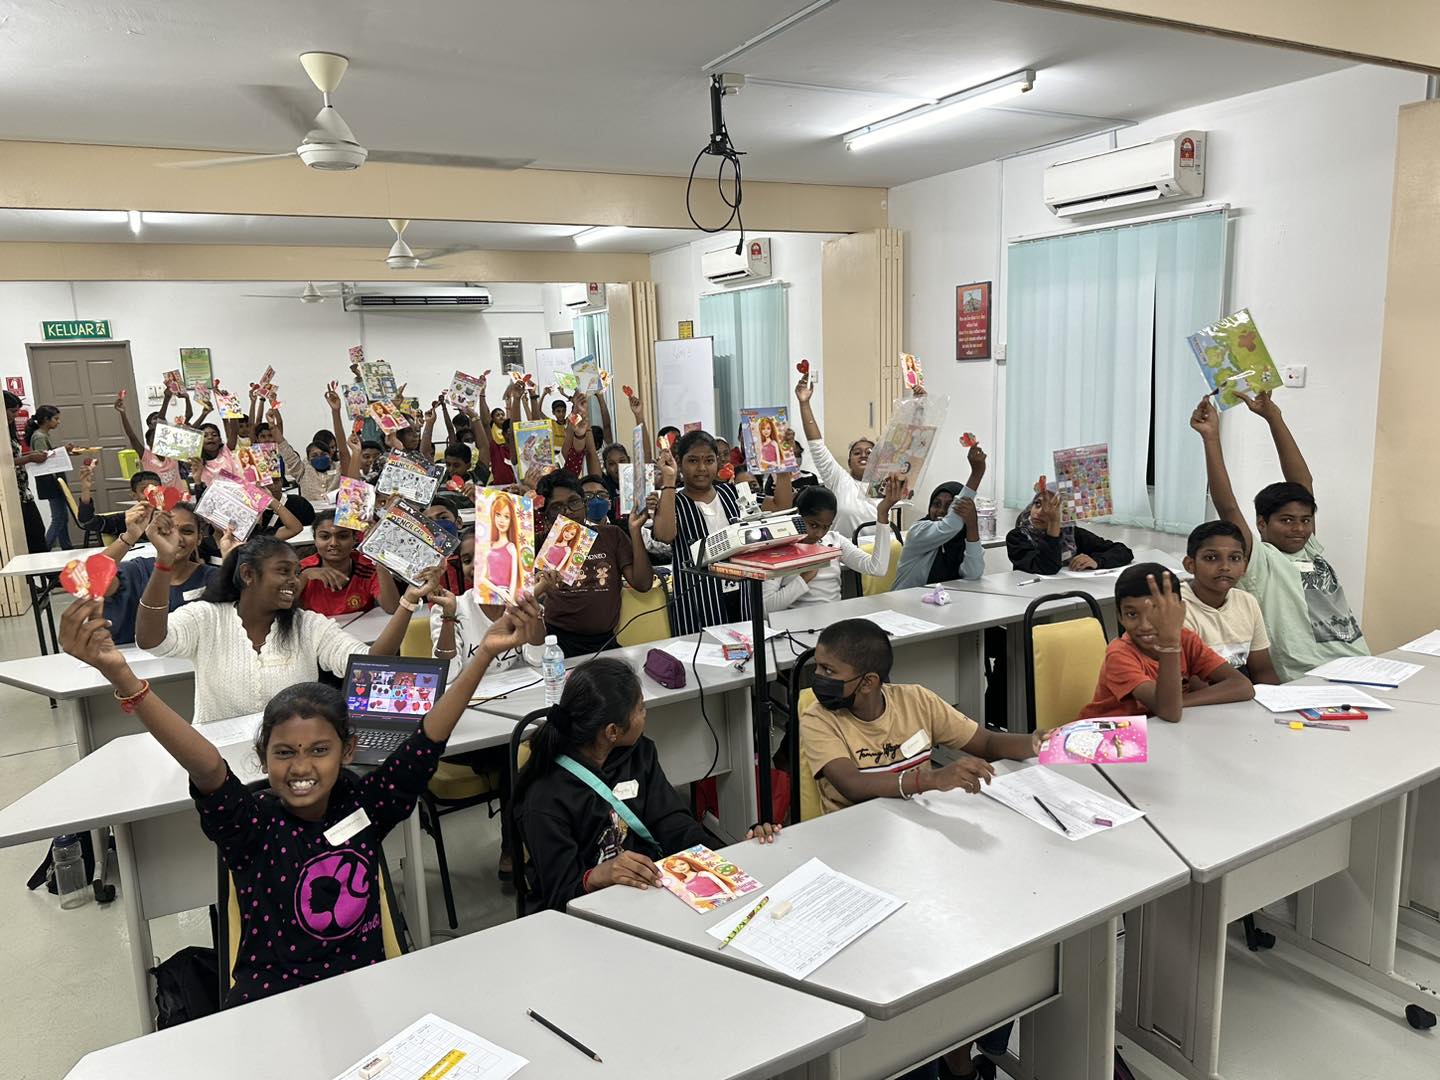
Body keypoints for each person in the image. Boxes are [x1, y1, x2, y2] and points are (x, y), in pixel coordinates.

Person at [58, 589, 542, 1007]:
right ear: (262, 757)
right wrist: (122, 677)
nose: (302, 767)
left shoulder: (366, 806)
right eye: (284, 753)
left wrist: (481, 656)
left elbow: (427, 739)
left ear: (347, 750)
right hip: (273, 1002)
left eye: (320, 751)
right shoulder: (250, 826)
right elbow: (206, 765)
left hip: (369, 988)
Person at [799, 617, 1040, 1080]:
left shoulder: (916, 700)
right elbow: (849, 785)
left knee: (1004, 926)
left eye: (829, 671)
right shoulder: (819, 716)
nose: (818, 679)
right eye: (819, 667)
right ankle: (939, 1054)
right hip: (857, 856)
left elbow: (986, 742)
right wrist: (929, 778)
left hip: (926, 844)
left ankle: (969, 1041)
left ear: (869, 682)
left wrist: (1038, 742)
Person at [512, 658, 778, 914]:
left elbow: (674, 826)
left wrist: (732, 858)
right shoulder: (545, 797)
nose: (645, 713)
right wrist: (597, 876)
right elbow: (558, 896)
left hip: (648, 894)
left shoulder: (639, 754)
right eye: (640, 708)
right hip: (588, 914)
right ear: (612, 732)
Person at [134, 534, 435, 724]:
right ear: (248, 575)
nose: (294, 581)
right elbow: (152, 640)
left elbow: (370, 664)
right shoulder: (207, 618)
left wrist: (409, 601)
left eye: (297, 572)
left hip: (294, 758)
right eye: (283, 572)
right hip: (217, 758)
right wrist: (163, 565)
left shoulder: (308, 625)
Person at [1191, 391, 1368, 681]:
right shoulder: (1261, 560)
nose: (1298, 528)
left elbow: (1302, 482)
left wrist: (1273, 417)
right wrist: (1211, 438)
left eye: (1305, 521)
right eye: (1286, 521)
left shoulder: (1309, 549)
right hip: (1308, 677)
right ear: (1261, 524)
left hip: (1359, 665)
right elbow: (1228, 505)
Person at [1078, 564, 1253, 723]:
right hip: (1107, 736)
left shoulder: (1186, 639)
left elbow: (1242, 686)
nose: (1145, 626)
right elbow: (1169, 711)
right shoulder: (1120, 654)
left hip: (1158, 732)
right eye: (1132, 614)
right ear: (1119, 616)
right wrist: (1169, 644)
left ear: (1179, 611)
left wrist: (1179, 702)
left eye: (1157, 612)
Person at [535, 470, 655, 656]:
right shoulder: (542, 542)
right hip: (557, 643)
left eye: (574, 502)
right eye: (557, 507)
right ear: (548, 515)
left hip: (604, 641)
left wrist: (635, 530)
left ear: (584, 504)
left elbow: (643, 583)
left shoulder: (611, 535)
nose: (568, 512)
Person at [650, 431, 753, 635]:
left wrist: (782, 468)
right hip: (696, 601)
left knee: (747, 657)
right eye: (693, 461)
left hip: (741, 594)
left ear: (718, 462)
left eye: (709, 460)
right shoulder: (672, 499)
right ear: (679, 462)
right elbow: (665, 535)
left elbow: (779, 506)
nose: (702, 468)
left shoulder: (732, 493)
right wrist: (669, 479)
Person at [764, 478, 904, 610]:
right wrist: (805, 577)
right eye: (813, 525)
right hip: (796, 627)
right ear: (797, 515)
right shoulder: (780, 549)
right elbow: (766, 608)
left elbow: (877, 568)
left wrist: (882, 513)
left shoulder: (834, 541)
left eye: (826, 527)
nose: (819, 534)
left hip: (833, 621)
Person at [99, 502, 219, 645]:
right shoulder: (137, 571)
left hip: (188, 663)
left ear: (199, 538)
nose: (177, 538)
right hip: (131, 663)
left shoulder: (212, 578)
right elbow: (89, 580)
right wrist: (130, 536)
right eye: (167, 530)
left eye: (187, 531)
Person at [1182, 521, 1280, 684]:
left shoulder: (1247, 602)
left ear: (1244, 566)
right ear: (1190, 565)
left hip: (1243, 697)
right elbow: (1194, 685)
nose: (1225, 567)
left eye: (1234, 558)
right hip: (1204, 700)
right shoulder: (1177, 608)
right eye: (1211, 558)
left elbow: (1263, 671)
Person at [892, 441, 989, 590]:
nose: (942, 511)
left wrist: (971, 526)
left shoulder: (959, 539)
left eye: (949, 506)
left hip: (943, 604)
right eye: (936, 505)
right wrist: (977, 473)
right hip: (907, 603)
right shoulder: (919, 531)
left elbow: (973, 574)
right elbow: (951, 524)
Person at [794, 372, 879, 538]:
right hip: (843, 554)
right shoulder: (840, 480)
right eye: (857, 452)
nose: (863, 455)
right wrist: (804, 403)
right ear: (849, 462)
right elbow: (816, 446)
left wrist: (920, 405)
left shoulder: (885, 486)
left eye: (870, 453)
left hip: (879, 555)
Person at [1006, 481, 1134, 575]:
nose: (1039, 512)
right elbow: (1047, 568)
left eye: (1050, 508)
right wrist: (1054, 522)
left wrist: (1097, 561)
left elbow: (1123, 551)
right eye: (1037, 504)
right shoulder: (1018, 537)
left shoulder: (1071, 534)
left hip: (1067, 591)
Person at [297, 510, 402, 616]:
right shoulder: (301, 568)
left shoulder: (367, 567)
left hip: (359, 631)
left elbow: (392, 608)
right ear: (315, 540)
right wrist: (304, 576)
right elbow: (283, 610)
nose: (334, 543)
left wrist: (380, 562)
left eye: (342, 536)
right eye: (325, 537)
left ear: (354, 539)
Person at [5, 390, 48, 553]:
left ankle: (44, 575)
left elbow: (14, 456)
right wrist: (29, 459)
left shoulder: (9, 431)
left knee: (37, 533)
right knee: (27, 537)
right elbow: (4, 463)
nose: (15, 415)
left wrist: (31, 455)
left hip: (24, 491)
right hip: (12, 494)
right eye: (12, 411)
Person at [25, 405, 74, 549]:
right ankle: (44, 549)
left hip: (53, 481)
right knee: (59, 518)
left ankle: (67, 548)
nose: (58, 422)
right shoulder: (39, 436)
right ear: (46, 419)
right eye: (56, 419)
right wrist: (63, 450)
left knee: (63, 518)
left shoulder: (44, 435)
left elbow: (50, 453)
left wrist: (65, 452)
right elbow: (44, 458)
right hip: (50, 482)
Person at [76, 464, 164, 540]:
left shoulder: (173, 514)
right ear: (134, 495)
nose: (150, 495)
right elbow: (88, 522)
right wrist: (85, 489)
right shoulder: (128, 519)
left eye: (155, 490)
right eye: (144, 490)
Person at [476, 490, 522, 598]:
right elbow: (482, 577)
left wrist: (509, 598)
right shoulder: (488, 546)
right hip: (489, 594)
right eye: (498, 515)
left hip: (506, 596)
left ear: (511, 520)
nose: (501, 520)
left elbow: (513, 579)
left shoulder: (511, 548)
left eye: (506, 517)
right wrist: (498, 590)